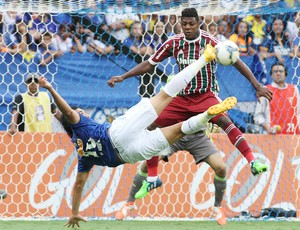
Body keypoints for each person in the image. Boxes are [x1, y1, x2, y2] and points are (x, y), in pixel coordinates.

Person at [38, 44, 237, 228]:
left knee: (179, 130)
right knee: (166, 95)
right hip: (117, 135)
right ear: (75, 116)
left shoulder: (81, 152)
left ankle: (207, 114)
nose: (83, 113)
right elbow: (67, 111)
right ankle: (204, 58)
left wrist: (73, 213)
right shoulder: (78, 124)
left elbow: (79, 184)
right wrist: (49, 89)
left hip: (128, 156)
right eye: (80, 111)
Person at [108, 7, 273, 197]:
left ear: (199, 22)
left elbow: (237, 61)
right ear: (180, 23)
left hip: (205, 95)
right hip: (181, 98)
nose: (187, 27)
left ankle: (252, 160)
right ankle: (152, 179)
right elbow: (149, 64)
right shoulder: (174, 42)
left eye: (191, 24)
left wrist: (257, 86)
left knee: (225, 121)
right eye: (184, 24)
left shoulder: (210, 41)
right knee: (150, 125)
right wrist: (123, 76)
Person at [115, 127, 228, 225]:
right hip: (173, 133)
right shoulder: (171, 101)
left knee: (221, 168)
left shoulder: (210, 101)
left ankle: (217, 208)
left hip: (197, 137)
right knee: (146, 165)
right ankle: (129, 203)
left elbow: (220, 114)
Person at [254, 62, 300, 134]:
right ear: (271, 75)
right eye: (275, 71)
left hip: (294, 134)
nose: (278, 73)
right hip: (273, 135)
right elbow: (258, 115)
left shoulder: (294, 89)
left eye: (281, 71)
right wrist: (267, 128)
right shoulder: (266, 90)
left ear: (285, 74)